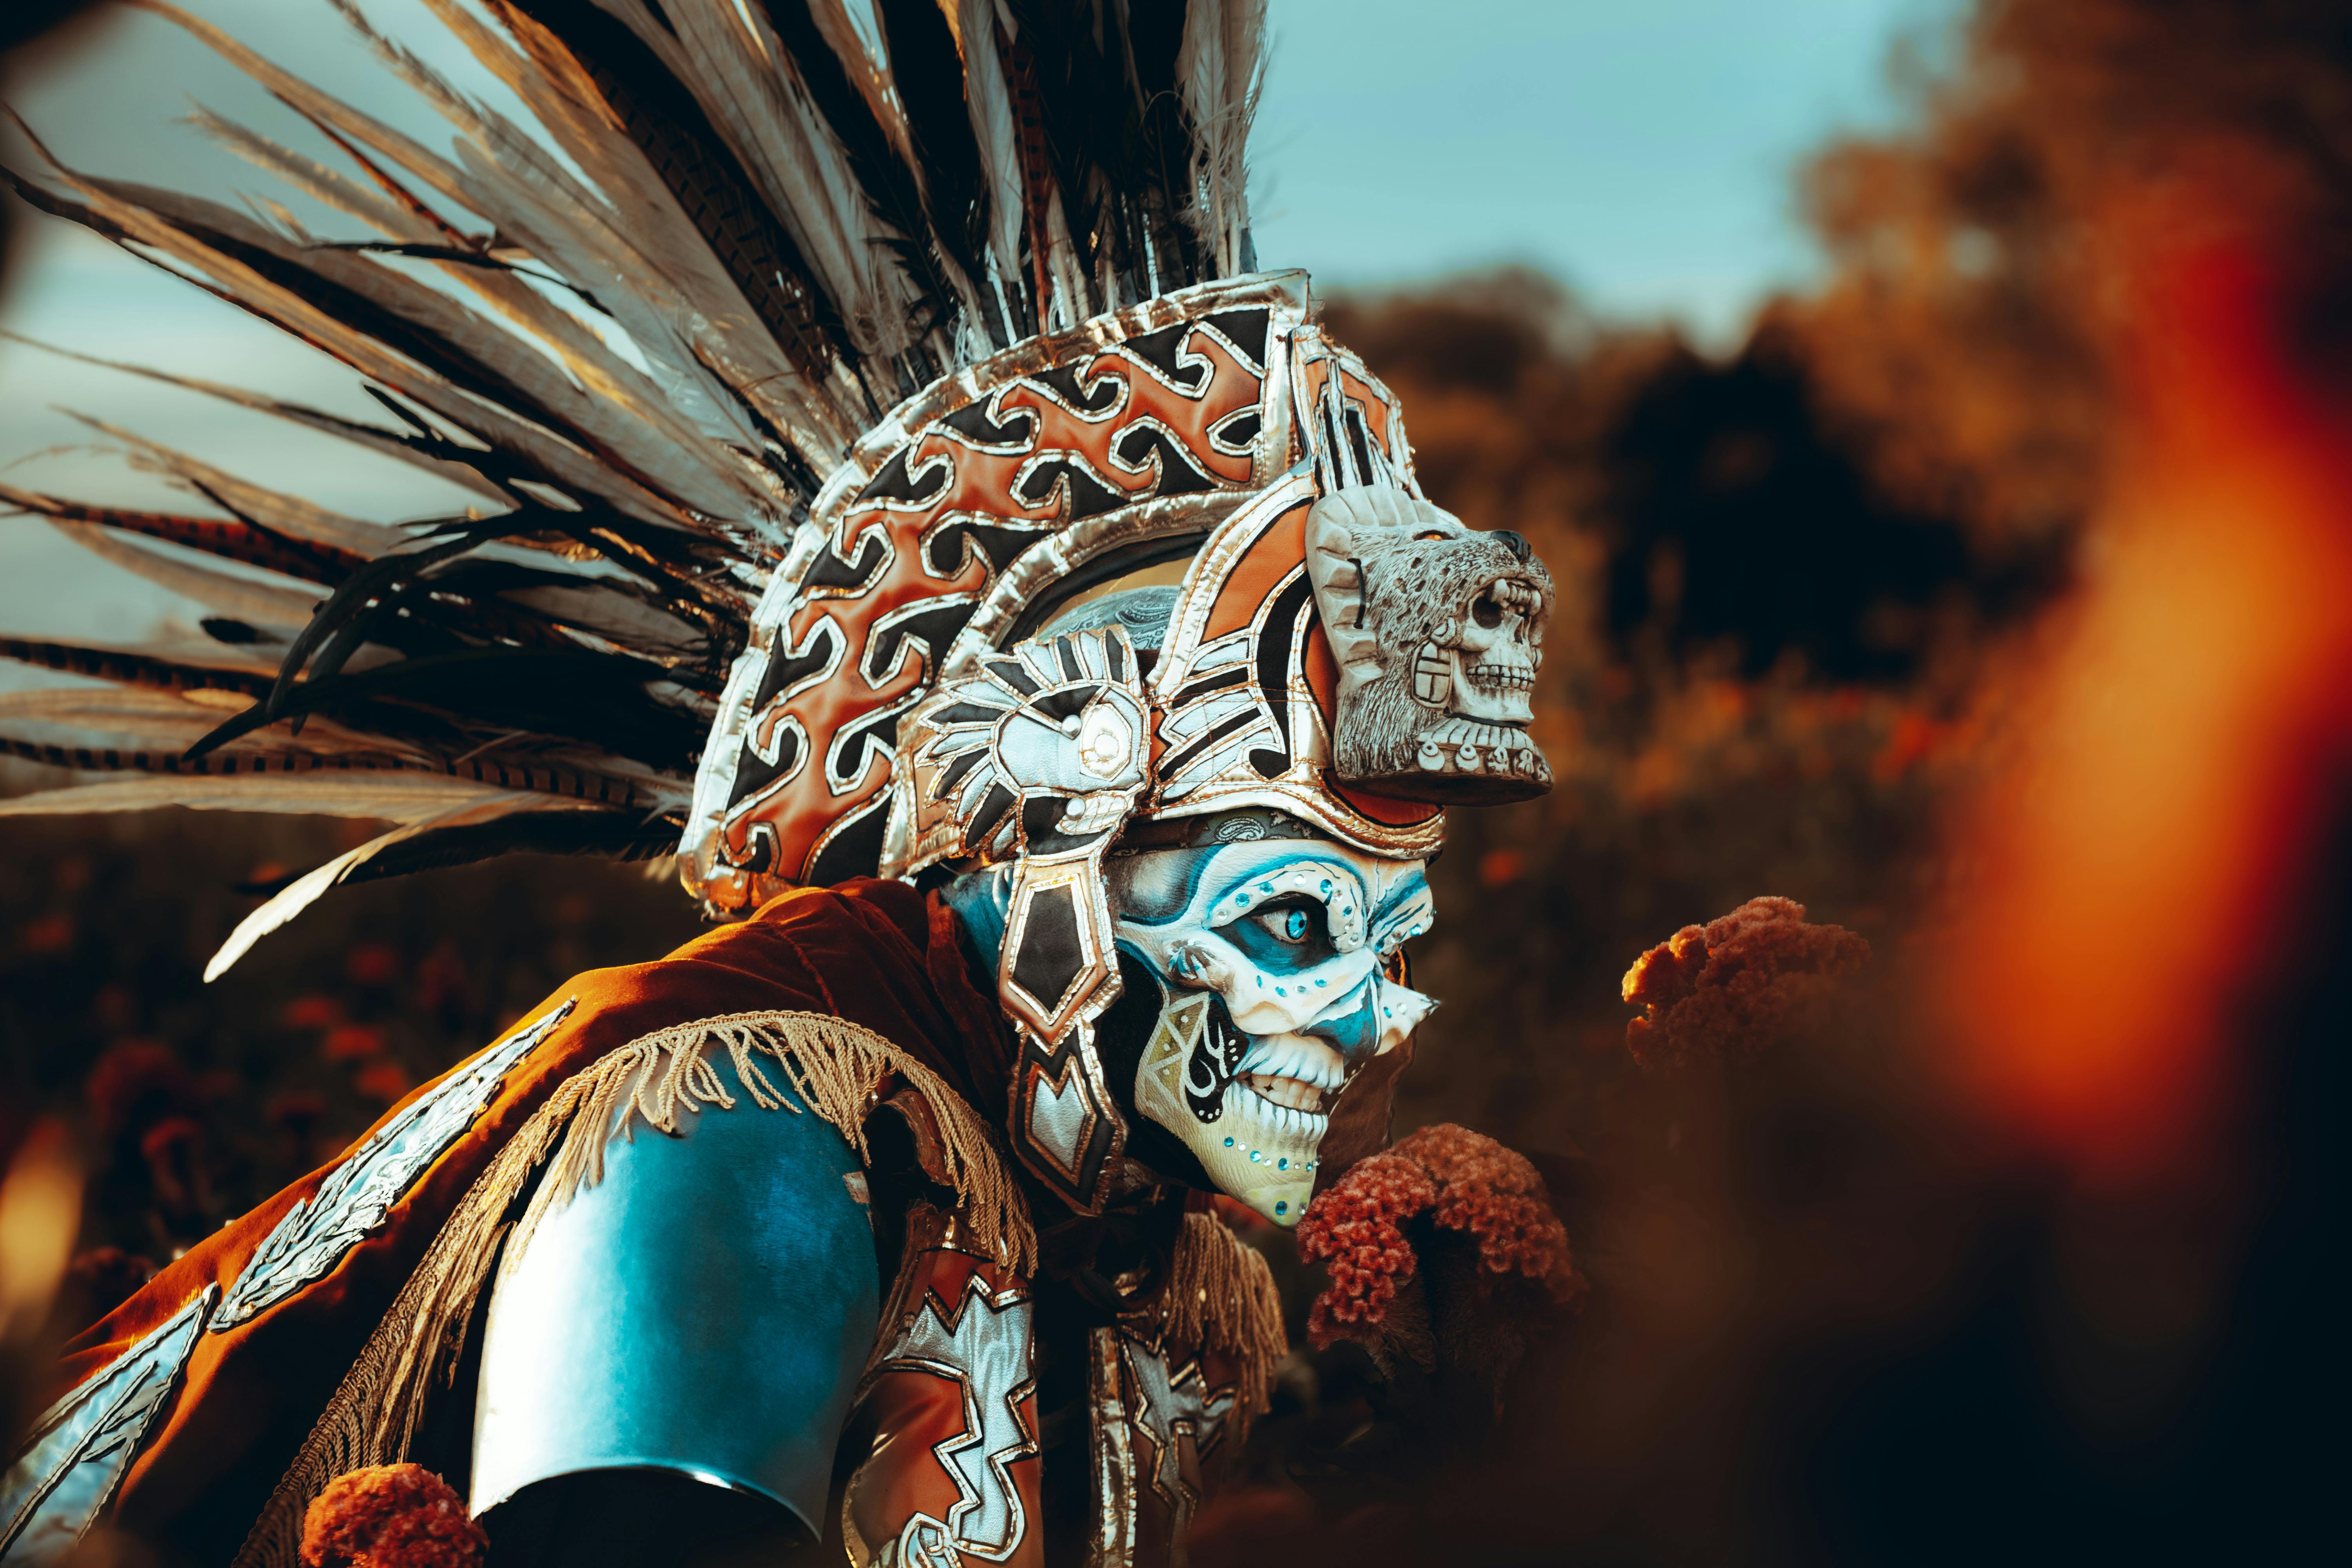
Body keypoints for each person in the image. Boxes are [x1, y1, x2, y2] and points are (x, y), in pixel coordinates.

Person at [0, 5, 1573, 1564]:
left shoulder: (1162, 1236)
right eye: (1297, 918)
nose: (1383, 1014)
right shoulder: (739, 1137)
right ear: (1050, 846)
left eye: (1395, 934)